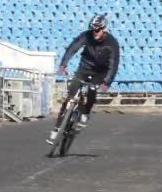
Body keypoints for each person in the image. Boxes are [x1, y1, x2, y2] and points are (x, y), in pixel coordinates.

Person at [46, 14, 120, 145]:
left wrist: (106, 83)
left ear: (104, 29)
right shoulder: (86, 35)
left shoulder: (112, 43)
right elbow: (73, 48)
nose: (94, 33)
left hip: (100, 72)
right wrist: (63, 64)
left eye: (97, 31)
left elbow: (113, 65)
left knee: (92, 88)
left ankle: (85, 113)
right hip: (84, 68)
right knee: (69, 97)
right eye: (92, 30)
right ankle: (56, 129)